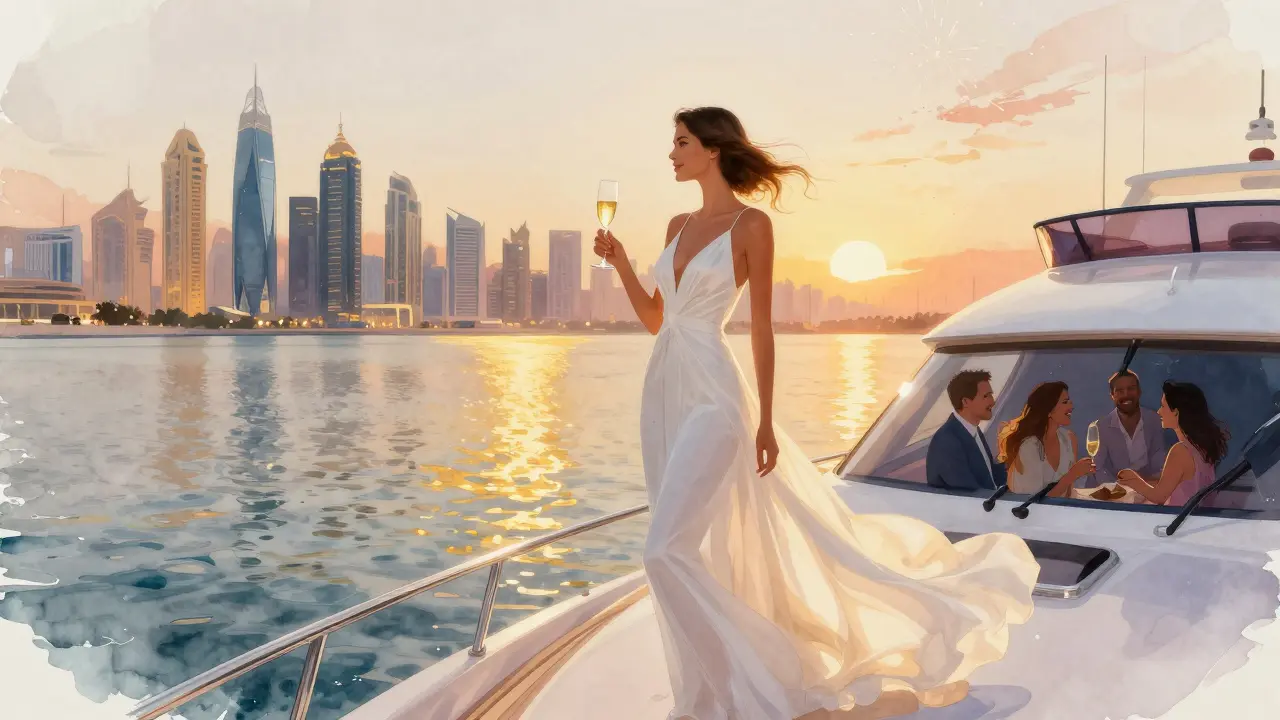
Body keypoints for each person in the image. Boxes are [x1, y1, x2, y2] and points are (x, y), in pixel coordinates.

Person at [593, 106, 1038, 720]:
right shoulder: (676, 223)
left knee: (662, 550)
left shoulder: (752, 226)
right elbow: (656, 322)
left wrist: (767, 419)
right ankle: (709, 692)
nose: (671, 154)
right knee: (694, 547)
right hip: (664, 394)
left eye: (681, 142)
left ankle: (756, 680)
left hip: (717, 397)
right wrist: (619, 263)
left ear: (713, 151)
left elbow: (762, 330)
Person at [1117, 381, 1228, 506]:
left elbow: (1159, 496)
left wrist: (1133, 480)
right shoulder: (1202, 448)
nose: (1159, 411)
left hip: (1178, 519)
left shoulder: (1180, 451)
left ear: (1176, 412)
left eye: (1163, 406)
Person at [998, 382, 1096, 497]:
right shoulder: (1029, 447)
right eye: (1065, 402)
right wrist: (1073, 474)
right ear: (1049, 410)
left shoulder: (1069, 439)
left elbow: (1068, 494)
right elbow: (1035, 502)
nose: (1071, 406)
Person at [925, 370, 1005, 492]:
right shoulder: (947, 441)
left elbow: (988, 475)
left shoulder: (974, 431)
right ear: (966, 402)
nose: (992, 401)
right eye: (986, 396)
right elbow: (969, 494)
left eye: (991, 395)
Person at [1090, 370, 1167, 489]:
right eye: (1120, 391)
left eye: (1131, 389)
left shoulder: (1154, 420)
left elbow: (1158, 461)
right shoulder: (1101, 426)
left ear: (1139, 391)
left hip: (1147, 489)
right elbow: (1099, 468)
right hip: (1112, 492)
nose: (1126, 394)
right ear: (1112, 395)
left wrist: (1144, 486)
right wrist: (1119, 489)